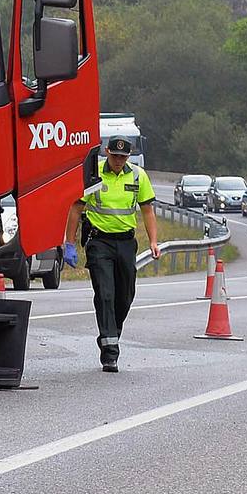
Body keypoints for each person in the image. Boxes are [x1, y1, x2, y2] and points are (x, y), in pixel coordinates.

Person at [63, 136, 158, 372]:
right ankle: (110, 352)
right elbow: (76, 207)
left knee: (125, 295)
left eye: (122, 157)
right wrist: (69, 243)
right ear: (107, 152)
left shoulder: (138, 176)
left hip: (125, 242)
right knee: (105, 294)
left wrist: (154, 241)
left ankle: (111, 332)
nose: (117, 161)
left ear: (129, 157)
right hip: (99, 241)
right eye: (114, 156)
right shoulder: (94, 174)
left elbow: (147, 210)